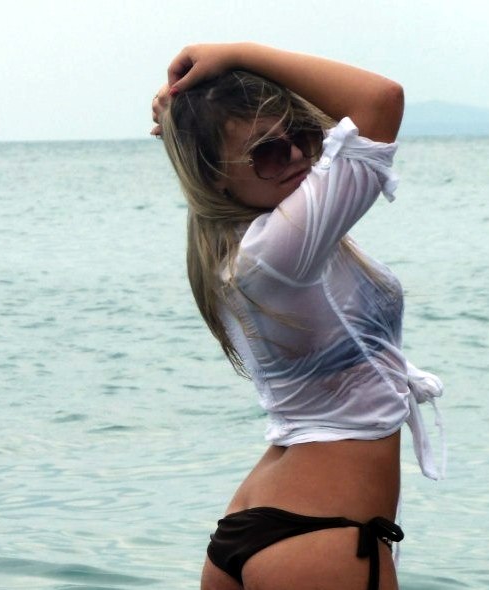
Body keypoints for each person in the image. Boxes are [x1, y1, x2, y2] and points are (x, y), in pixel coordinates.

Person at [149, 43, 445, 590]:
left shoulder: (244, 242)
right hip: (322, 536)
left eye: (302, 137)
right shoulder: (279, 252)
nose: (294, 157)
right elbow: (380, 102)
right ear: (214, 175)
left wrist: (187, 115)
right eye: (265, 152)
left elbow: (339, 130)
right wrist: (233, 53)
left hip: (264, 525)